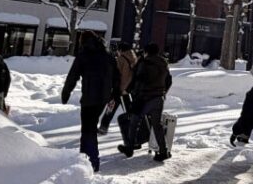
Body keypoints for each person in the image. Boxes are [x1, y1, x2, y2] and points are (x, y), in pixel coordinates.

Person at [61, 32, 117, 171]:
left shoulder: (84, 54)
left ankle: (90, 160)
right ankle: (86, 159)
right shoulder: (107, 54)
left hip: (89, 97)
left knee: (88, 129)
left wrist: (66, 92)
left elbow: (73, 75)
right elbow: (116, 76)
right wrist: (113, 94)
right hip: (103, 97)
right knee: (90, 127)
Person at [118, 42, 173, 163]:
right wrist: (163, 92)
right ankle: (163, 152)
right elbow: (169, 80)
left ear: (146, 52)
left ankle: (129, 148)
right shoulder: (164, 63)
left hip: (145, 98)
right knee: (156, 125)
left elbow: (138, 80)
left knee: (134, 121)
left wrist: (131, 92)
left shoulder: (144, 63)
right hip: (158, 98)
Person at [99, 42, 138, 135]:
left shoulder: (121, 59)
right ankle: (134, 129)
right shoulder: (134, 58)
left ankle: (103, 127)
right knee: (129, 111)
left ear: (121, 50)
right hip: (128, 90)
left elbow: (115, 74)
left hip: (119, 89)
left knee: (110, 108)